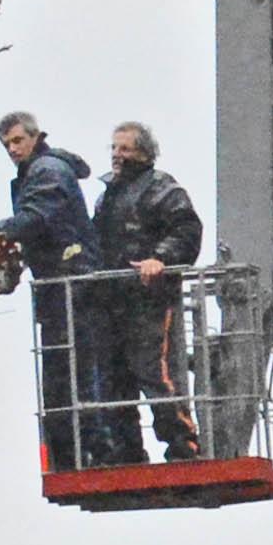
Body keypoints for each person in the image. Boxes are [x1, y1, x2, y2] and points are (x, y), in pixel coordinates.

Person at [0, 111, 117, 471]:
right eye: (7, 145)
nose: (13, 150)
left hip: (72, 282)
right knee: (65, 371)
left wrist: (3, 232)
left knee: (74, 369)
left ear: (35, 137)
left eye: (18, 141)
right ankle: (75, 452)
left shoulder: (47, 171)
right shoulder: (40, 171)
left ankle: (95, 451)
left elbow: (36, 216)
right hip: (59, 284)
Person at [93, 122, 203, 462]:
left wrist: (161, 259)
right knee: (114, 376)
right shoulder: (107, 195)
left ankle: (183, 443)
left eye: (124, 149)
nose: (116, 155)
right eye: (113, 148)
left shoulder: (162, 188)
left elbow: (187, 229)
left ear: (143, 152)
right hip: (113, 298)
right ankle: (127, 451)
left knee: (156, 373)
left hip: (150, 299)